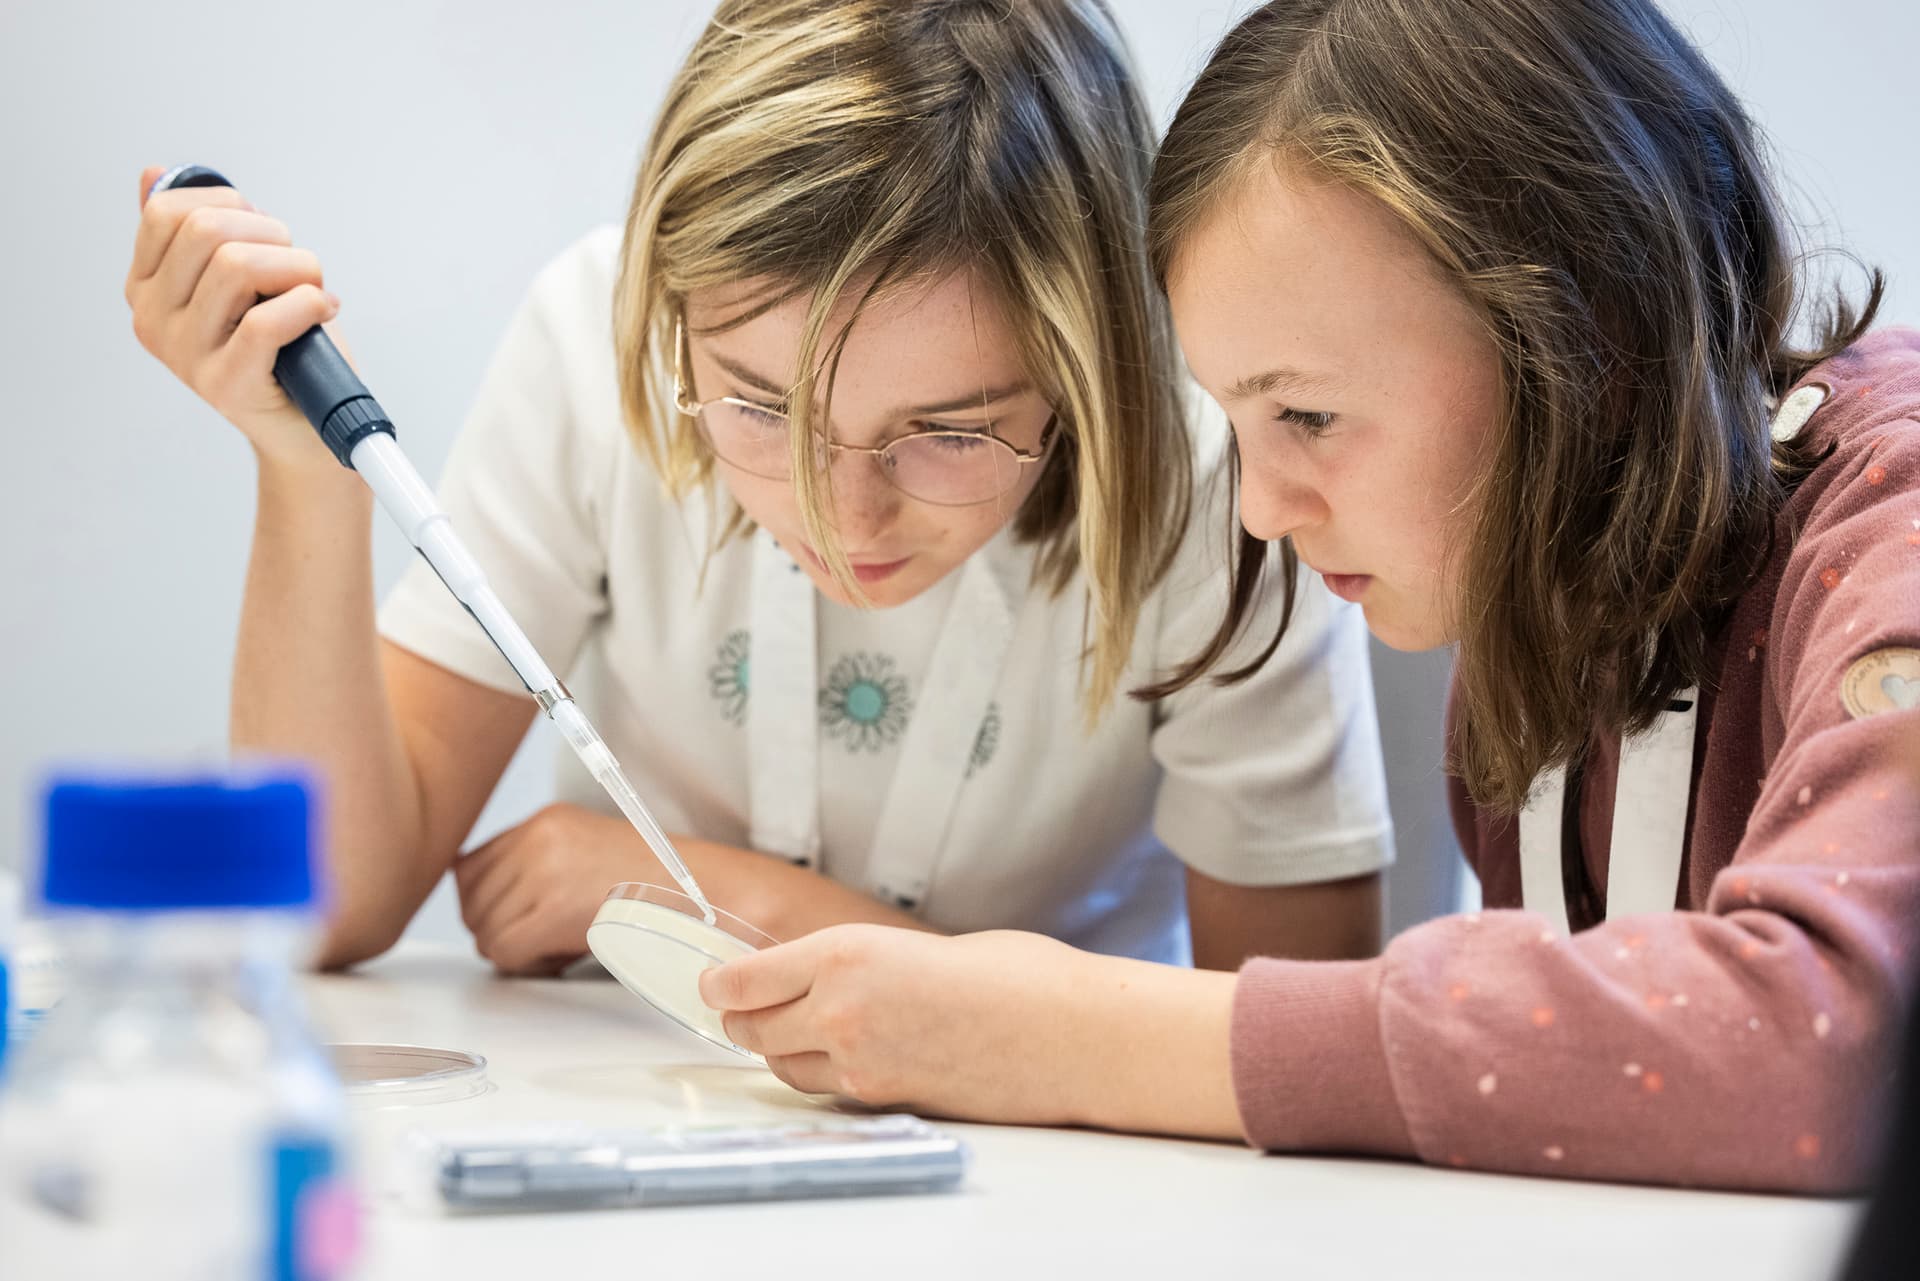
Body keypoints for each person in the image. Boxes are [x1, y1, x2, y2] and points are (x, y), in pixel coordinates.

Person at [702, 0, 1920, 1193]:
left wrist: (1081, 1033)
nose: (1262, 511)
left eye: (1311, 417)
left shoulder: (1894, 518)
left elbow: (1850, 1045)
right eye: (1241, 422)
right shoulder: (1542, 604)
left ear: (1586, 331)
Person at [122, 0, 1395, 978]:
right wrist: (305, 473)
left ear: (1090, 360)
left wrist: (734, 905)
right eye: (758, 405)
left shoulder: (1229, 471)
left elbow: (1294, 1039)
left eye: (950, 430)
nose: (845, 517)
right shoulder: (590, 345)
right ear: (672, 314)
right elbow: (322, 904)